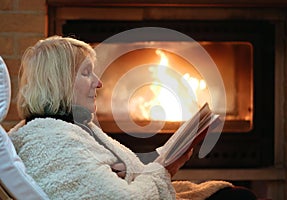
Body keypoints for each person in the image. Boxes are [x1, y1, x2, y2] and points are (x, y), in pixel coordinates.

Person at [9, 35, 257, 200]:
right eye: (86, 73)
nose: (99, 83)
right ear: (59, 82)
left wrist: (151, 169)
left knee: (234, 194)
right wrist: (160, 170)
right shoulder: (52, 140)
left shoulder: (68, 126)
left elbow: (101, 182)